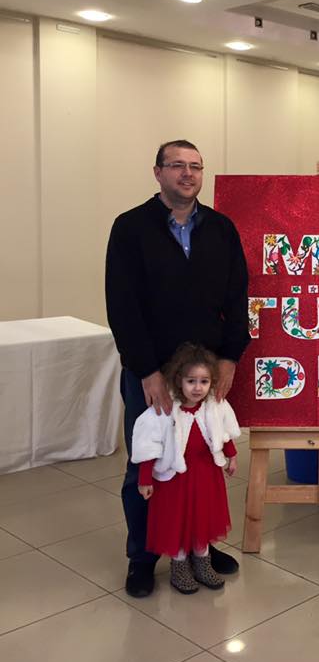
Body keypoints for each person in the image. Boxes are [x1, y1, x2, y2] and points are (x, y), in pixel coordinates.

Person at [106, 140, 249, 598]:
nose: (188, 174)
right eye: (177, 165)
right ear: (158, 172)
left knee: (202, 463)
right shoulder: (131, 228)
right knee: (148, 463)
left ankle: (198, 545)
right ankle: (144, 556)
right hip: (152, 371)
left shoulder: (221, 229)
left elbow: (237, 298)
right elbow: (122, 306)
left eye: (195, 166)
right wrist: (147, 370)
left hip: (203, 376)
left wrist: (229, 358)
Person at [132, 343, 240, 594]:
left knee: (203, 518)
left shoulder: (214, 405)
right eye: (191, 381)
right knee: (177, 521)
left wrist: (231, 456)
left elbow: (224, 432)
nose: (198, 388)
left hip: (205, 476)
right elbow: (149, 446)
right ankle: (179, 565)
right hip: (175, 481)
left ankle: (202, 561)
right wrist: (145, 478)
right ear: (179, 380)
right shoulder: (164, 410)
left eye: (204, 381)